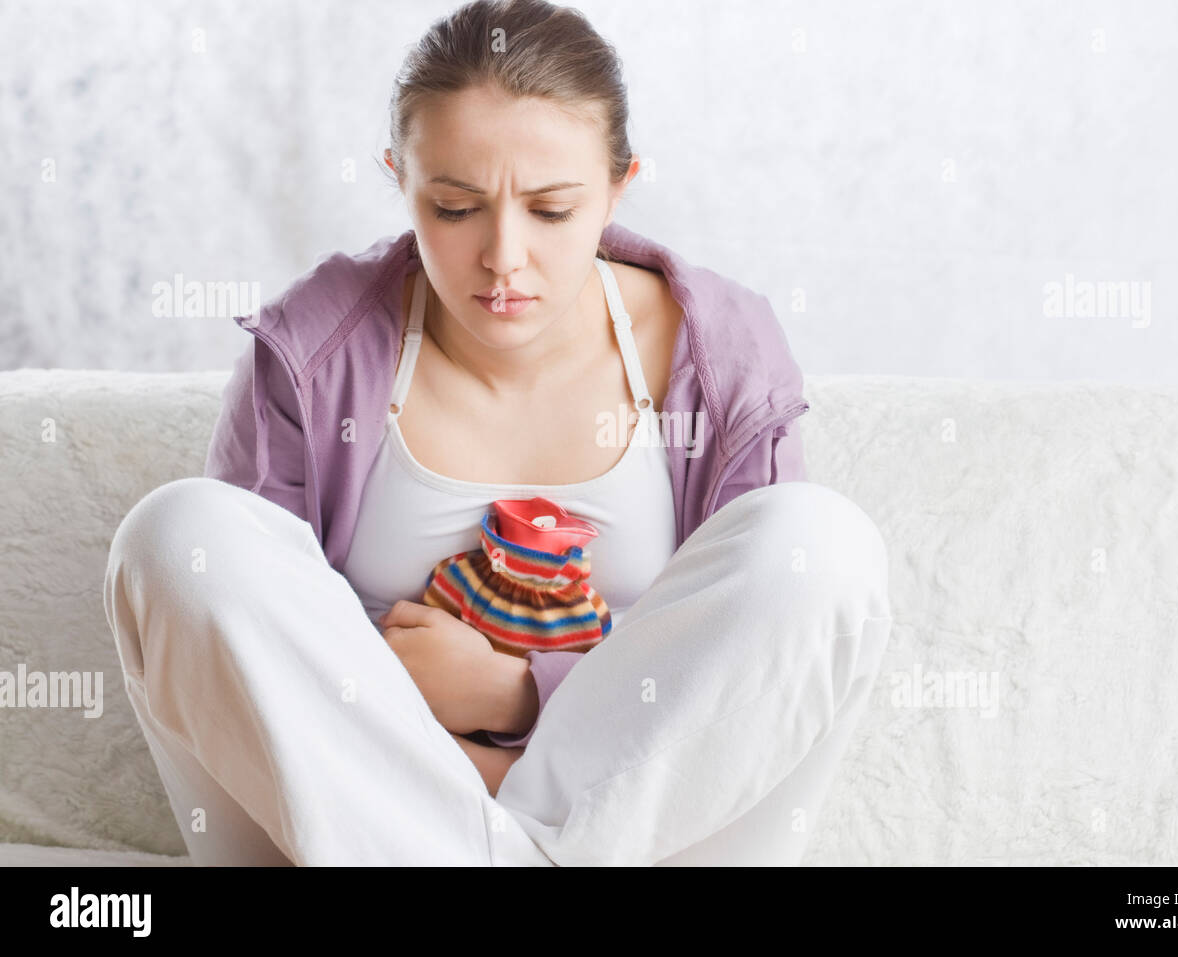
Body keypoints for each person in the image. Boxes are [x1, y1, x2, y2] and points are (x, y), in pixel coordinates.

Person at [103, 0, 893, 866]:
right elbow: (271, 667)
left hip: (634, 836)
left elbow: (732, 683)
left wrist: (519, 696)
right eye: (453, 207)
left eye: (552, 210)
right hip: (366, 824)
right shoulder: (313, 351)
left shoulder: (719, 352)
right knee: (177, 535)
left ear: (620, 187)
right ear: (399, 177)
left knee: (825, 545)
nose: (504, 257)